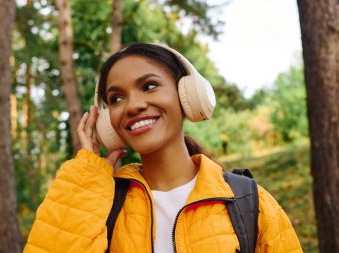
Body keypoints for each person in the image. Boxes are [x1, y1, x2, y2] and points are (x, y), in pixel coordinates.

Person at [24, 43, 302, 253]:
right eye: (117, 98)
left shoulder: (248, 201)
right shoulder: (101, 202)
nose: (132, 105)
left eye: (149, 86)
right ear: (108, 122)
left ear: (187, 96)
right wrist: (86, 175)